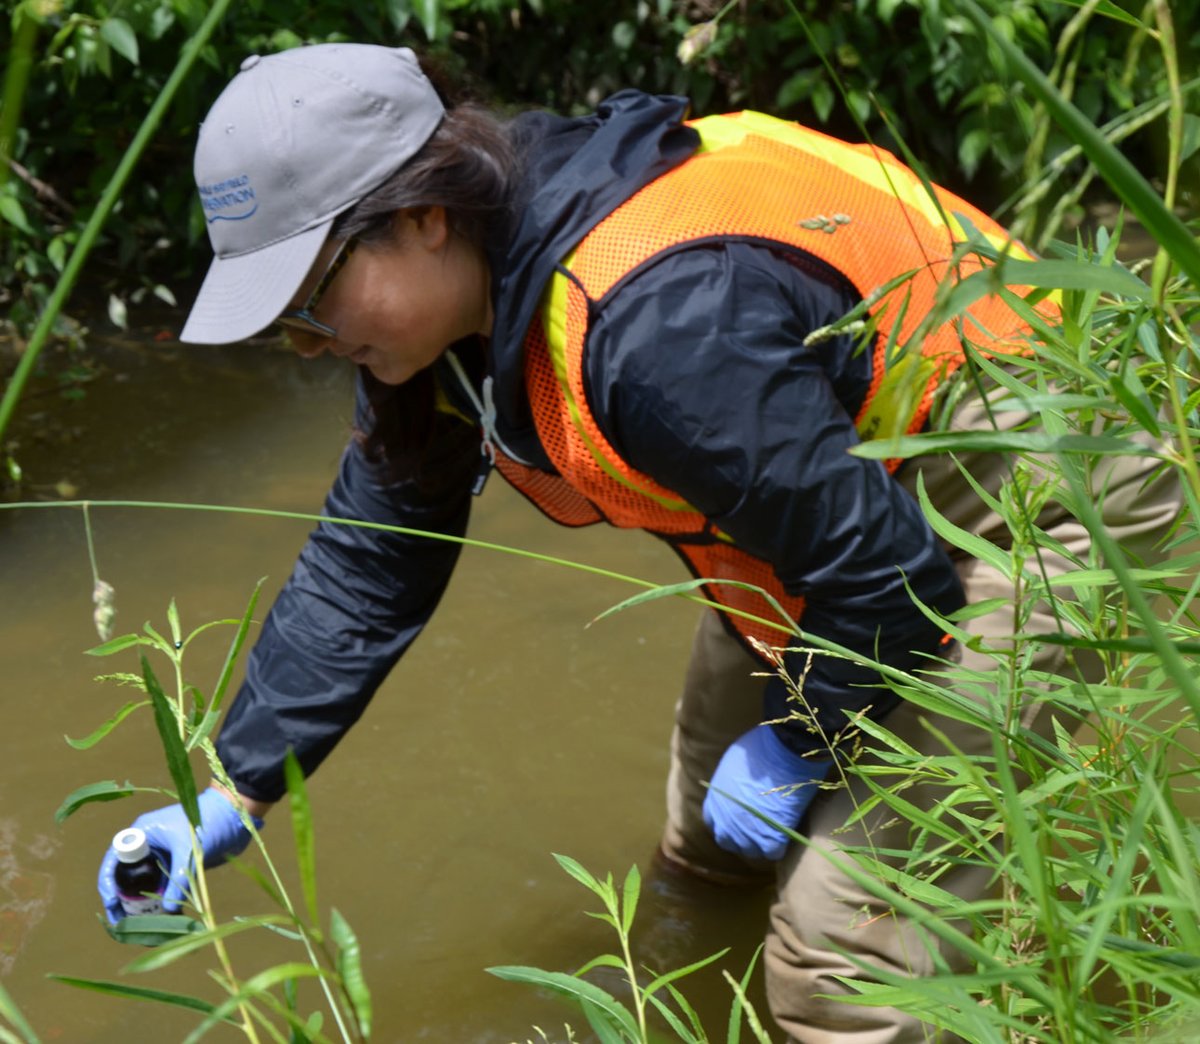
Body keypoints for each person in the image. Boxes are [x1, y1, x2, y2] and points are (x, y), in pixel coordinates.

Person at [95, 43, 1178, 1042]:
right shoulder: (457, 319)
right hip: (844, 500)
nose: (305, 342)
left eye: (309, 298)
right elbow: (372, 558)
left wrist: (803, 739)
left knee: (843, 954)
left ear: (421, 215)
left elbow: (893, 581)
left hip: (1035, 486)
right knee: (704, 850)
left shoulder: (650, 326)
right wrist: (234, 788)